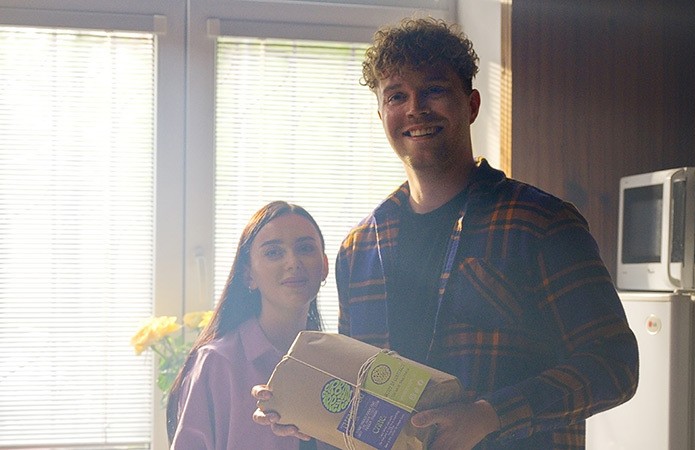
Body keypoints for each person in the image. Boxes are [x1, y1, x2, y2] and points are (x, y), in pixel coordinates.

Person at [253, 17, 638, 449]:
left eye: (434, 90)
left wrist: (488, 417)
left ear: (471, 104)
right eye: (397, 95)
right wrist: (308, 416)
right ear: (382, 113)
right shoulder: (359, 248)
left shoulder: (541, 224)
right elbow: (360, 401)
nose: (415, 108)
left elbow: (615, 364)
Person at [168, 201, 329, 449]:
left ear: (325, 267)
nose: (293, 262)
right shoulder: (217, 362)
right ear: (248, 275)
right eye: (274, 252)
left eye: (305, 248)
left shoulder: (338, 364)